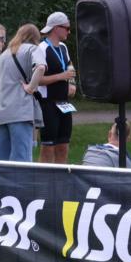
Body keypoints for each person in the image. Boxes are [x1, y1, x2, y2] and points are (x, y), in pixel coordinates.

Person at [0, 24, 46, 162]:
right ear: (35, 37)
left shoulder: (3, 55)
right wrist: (31, 87)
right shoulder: (33, 49)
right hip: (20, 113)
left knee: (2, 164)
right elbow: (40, 68)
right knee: (22, 161)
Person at [37, 12, 78, 164]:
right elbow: (37, 80)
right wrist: (61, 77)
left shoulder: (63, 47)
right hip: (48, 104)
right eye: (67, 28)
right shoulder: (41, 49)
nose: (69, 31)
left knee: (63, 146)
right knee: (47, 149)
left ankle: (60, 183)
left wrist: (72, 82)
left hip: (64, 103)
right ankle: (42, 184)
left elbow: (69, 65)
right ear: (56, 28)